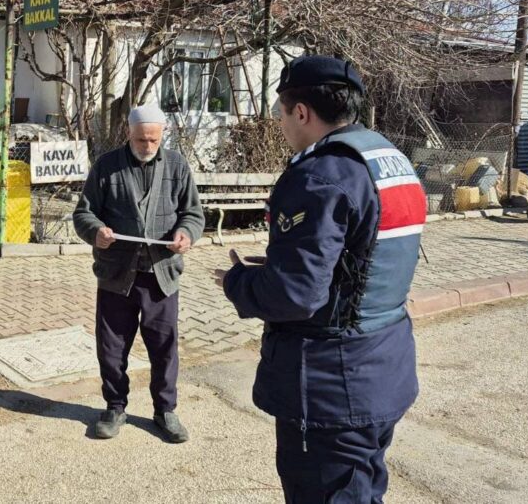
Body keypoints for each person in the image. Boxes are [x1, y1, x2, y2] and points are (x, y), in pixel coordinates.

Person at [218, 55, 426, 503]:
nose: (280, 126)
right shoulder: (388, 158)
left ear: (301, 112)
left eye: (280, 114)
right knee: (363, 489)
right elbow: (362, 254)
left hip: (333, 385)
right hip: (383, 363)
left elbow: (295, 296)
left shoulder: (318, 176)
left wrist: (236, 283)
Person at [72, 103, 205, 442]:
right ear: (128, 134)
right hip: (117, 273)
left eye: (153, 141)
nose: (147, 147)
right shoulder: (106, 167)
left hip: (162, 273)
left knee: (164, 346)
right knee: (112, 346)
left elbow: (192, 213)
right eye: (141, 140)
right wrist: (97, 232)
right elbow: (83, 214)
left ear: (162, 136)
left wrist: (185, 235)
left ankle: (165, 410)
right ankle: (115, 407)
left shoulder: (176, 165)